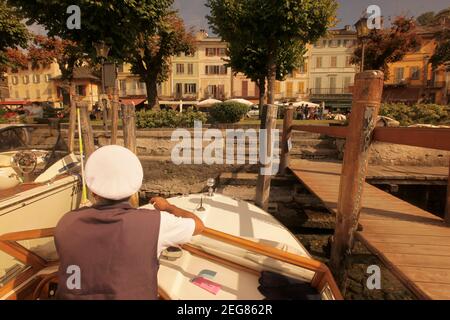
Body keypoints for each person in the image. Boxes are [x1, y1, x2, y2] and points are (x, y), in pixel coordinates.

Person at [54, 145, 204, 300]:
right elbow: (198, 225)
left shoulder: (66, 222)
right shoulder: (155, 222)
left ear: (93, 191)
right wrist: (167, 207)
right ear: (134, 190)